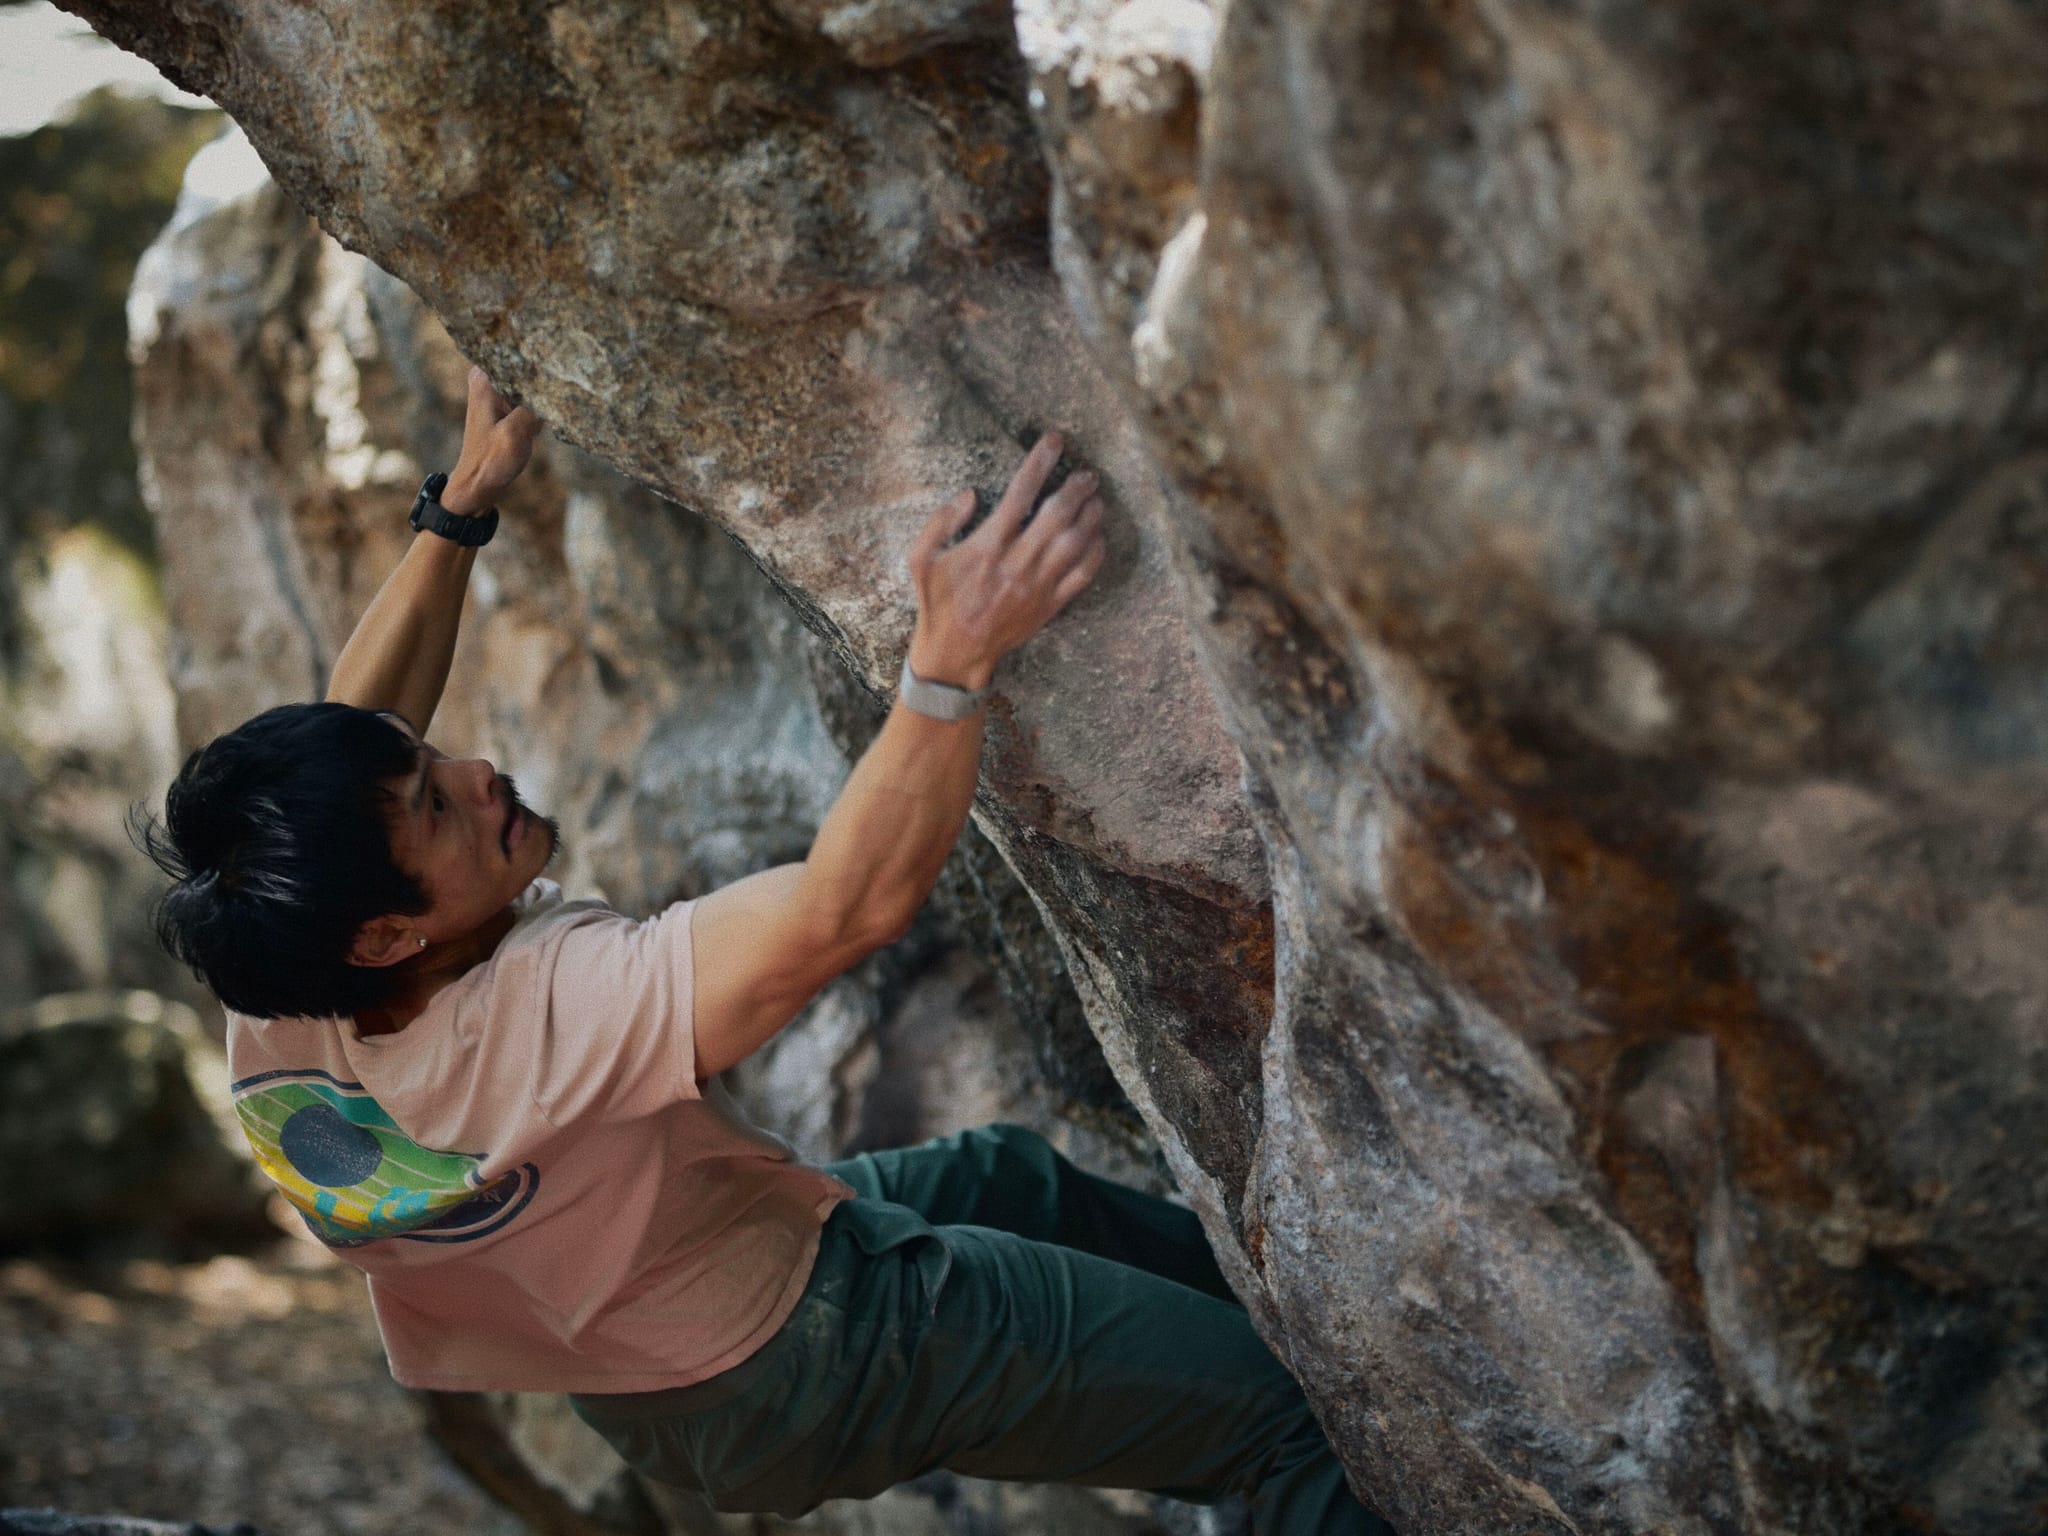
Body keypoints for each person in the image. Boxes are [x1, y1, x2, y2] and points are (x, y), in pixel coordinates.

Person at [137, 366, 1390, 1534]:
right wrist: (950, 663)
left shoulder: (279, 962)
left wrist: (458, 510)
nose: (477, 774)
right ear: (388, 932)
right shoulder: (554, 1018)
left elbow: (356, 728)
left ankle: (1308, 1329)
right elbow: (842, 909)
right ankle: (1308, 1416)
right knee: (1301, 1435)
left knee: (1011, 1180)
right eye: (435, 809)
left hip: (646, 1369)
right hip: (806, 1356)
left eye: (434, 770)